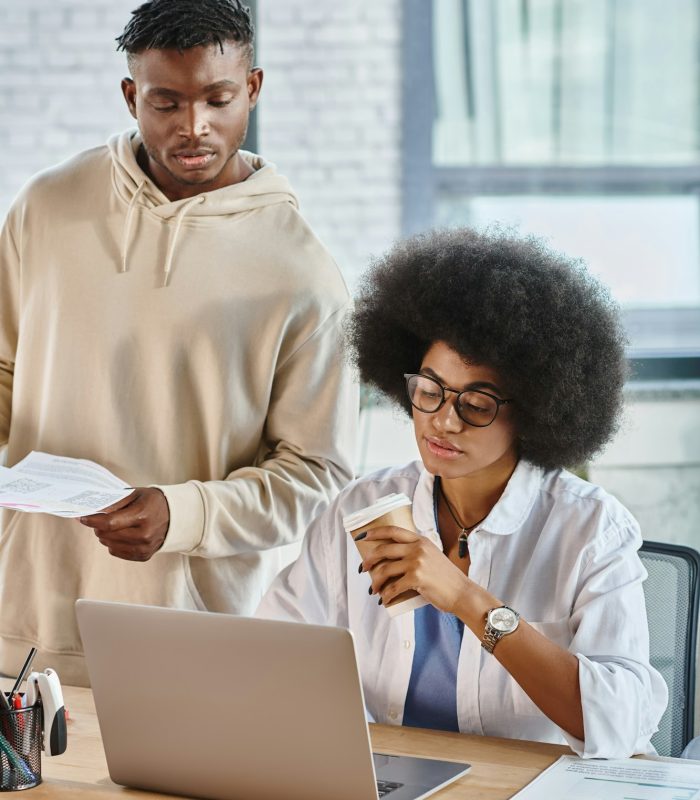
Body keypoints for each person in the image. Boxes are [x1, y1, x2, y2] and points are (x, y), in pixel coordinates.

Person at [0, 0, 356, 686]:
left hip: (188, 640)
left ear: (252, 88)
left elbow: (318, 477)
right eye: (166, 102)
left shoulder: (303, 276)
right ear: (132, 96)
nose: (194, 127)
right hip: (20, 628)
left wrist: (182, 514)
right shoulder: (48, 206)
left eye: (218, 99)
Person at [257, 227, 668, 758]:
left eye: (476, 404)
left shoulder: (589, 528)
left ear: (536, 411)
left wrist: (466, 600)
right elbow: (273, 654)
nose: (443, 421)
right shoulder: (361, 507)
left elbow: (621, 723)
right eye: (429, 391)